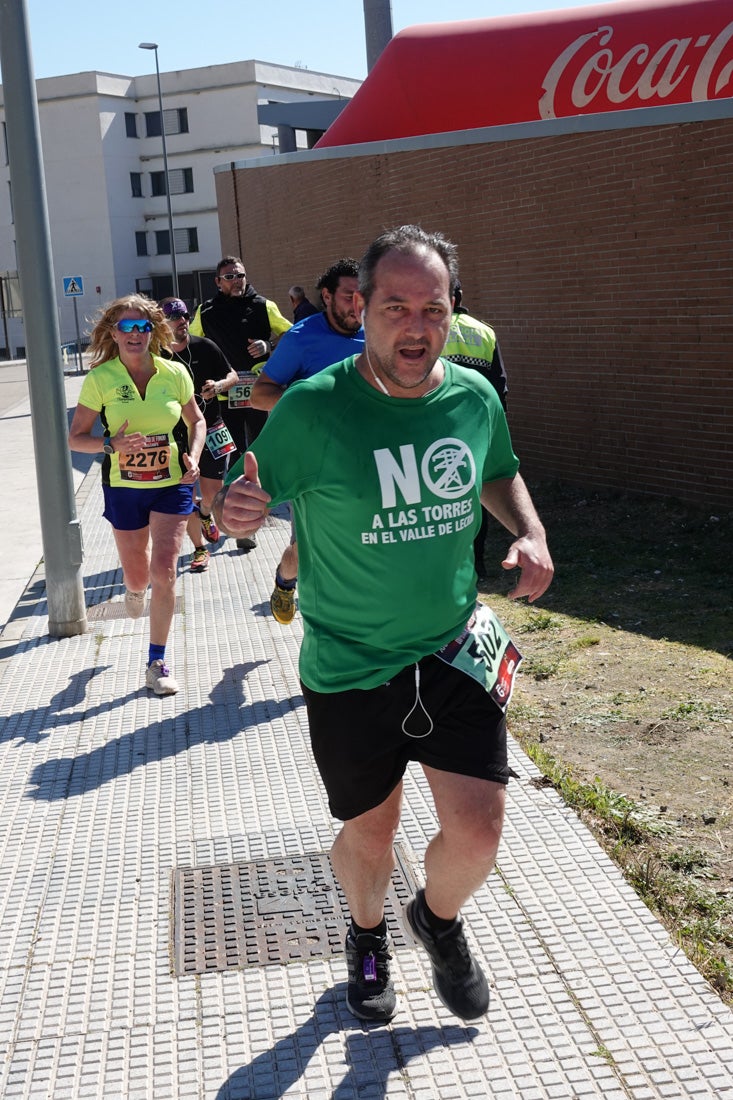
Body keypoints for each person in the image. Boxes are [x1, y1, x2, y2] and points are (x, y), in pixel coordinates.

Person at [213, 225, 554, 1023]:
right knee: (371, 833)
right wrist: (229, 509)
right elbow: (238, 495)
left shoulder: (472, 396)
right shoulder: (316, 407)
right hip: (349, 662)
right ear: (361, 309)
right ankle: (365, 933)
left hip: (450, 649)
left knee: (478, 833)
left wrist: (528, 530)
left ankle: (435, 919)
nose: (415, 324)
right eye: (395, 306)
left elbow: (498, 470)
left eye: (431, 308)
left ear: (451, 312)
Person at [68, 294, 205, 695]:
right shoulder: (101, 379)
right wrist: (113, 445)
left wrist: (194, 456)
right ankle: (132, 589)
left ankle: (156, 662)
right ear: (114, 333)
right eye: (126, 328)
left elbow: (195, 421)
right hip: (125, 488)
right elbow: (76, 439)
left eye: (142, 327)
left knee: (164, 572)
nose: (135, 334)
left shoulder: (173, 372)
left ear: (153, 332)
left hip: (171, 484)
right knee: (138, 575)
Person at [250, 258, 364, 624]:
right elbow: (260, 394)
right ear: (327, 296)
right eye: (348, 296)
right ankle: (286, 582)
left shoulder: (378, 331)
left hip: (371, 456)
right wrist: (308, 405)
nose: (357, 305)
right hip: (317, 464)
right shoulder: (301, 337)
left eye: (364, 295)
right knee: (306, 547)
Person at [189, 256, 291, 550]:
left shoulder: (263, 306)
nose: (236, 280)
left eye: (240, 275)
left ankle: (249, 523)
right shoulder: (206, 312)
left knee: (259, 457)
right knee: (231, 460)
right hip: (224, 398)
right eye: (229, 276)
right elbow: (189, 342)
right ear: (218, 282)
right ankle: (229, 520)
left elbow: (291, 333)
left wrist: (269, 345)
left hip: (258, 393)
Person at [159, 297, 239, 573]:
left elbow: (233, 376)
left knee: (212, 493)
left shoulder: (205, 347)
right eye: (175, 317)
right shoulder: (156, 356)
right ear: (162, 323)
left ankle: (205, 514)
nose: (182, 321)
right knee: (185, 492)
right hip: (176, 436)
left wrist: (218, 385)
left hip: (212, 427)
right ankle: (199, 548)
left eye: (184, 316)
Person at [442, 280, 509, 576]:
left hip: (439, 424)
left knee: (443, 495)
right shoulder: (484, 331)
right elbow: (500, 386)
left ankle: (452, 560)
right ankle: (477, 561)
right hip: (478, 427)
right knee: (478, 493)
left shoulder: (432, 332)